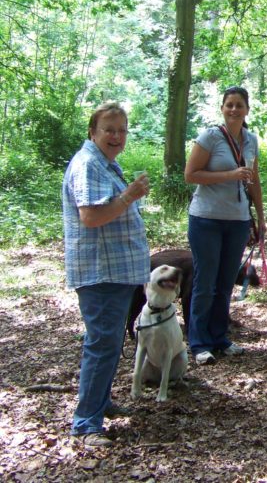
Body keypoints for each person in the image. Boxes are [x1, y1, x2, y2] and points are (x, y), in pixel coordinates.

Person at [62, 101, 150, 447]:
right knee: (101, 344)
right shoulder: (87, 165)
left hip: (117, 270)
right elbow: (91, 217)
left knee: (111, 343)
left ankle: (99, 402)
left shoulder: (106, 163)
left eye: (122, 130)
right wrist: (129, 196)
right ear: (92, 132)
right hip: (101, 272)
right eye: (109, 129)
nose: (116, 136)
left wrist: (127, 195)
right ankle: (86, 423)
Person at [184, 86, 265, 365]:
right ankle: (198, 342)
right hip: (206, 218)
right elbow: (190, 174)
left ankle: (220, 337)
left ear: (247, 109)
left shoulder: (251, 139)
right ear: (222, 108)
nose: (233, 109)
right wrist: (230, 174)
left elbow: (253, 180)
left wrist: (261, 218)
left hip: (238, 221)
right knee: (205, 283)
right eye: (229, 104)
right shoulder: (210, 136)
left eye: (239, 105)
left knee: (225, 283)